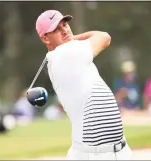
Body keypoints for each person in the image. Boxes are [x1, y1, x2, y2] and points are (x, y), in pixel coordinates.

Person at [35, 10, 132, 160]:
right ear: (45, 38)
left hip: (119, 151)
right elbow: (104, 37)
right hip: (94, 155)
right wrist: (74, 38)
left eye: (65, 24)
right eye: (56, 29)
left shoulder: (70, 53)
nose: (64, 30)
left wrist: (71, 39)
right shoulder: (65, 54)